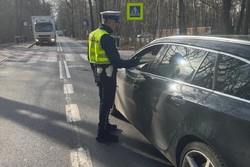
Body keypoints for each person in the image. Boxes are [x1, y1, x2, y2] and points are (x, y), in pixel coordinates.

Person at [88, 11, 139, 143]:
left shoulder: (93, 34)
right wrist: (135, 62)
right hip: (108, 75)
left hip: (98, 74)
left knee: (103, 102)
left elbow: (90, 57)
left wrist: (95, 72)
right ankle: (102, 133)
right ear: (110, 21)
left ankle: (106, 125)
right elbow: (117, 62)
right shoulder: (107, 38)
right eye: (116, 22)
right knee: (107, 104)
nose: (116, 24)